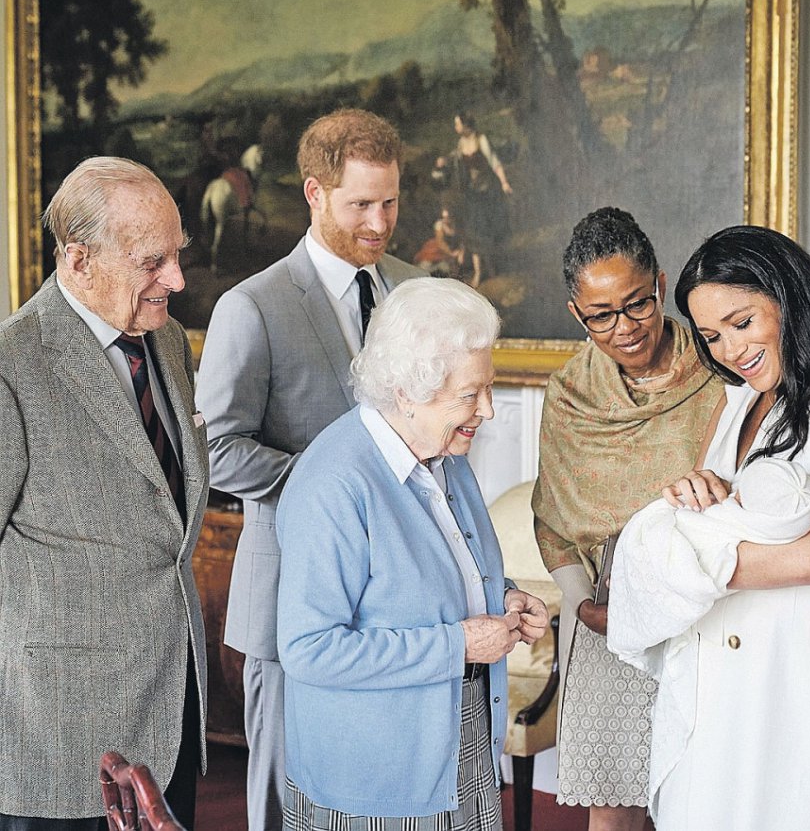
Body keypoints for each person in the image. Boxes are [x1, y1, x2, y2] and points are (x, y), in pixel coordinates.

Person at [194, 108, 424, 831]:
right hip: (292, 593)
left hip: (399, 605)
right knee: (283, 802)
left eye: (390, 202)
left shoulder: (416, 291)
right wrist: (339, 493)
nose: (380, 223)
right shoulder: (251, 306)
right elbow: (217, 449)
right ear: (314, 194)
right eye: (361, 204)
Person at [275, 277, 548, 830]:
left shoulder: (444, 452)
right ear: (407, 392)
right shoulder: (333, 482)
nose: (489, 410)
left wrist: (505, 596)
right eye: (471, 394)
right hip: (378, 778)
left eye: (488, 388)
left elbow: (434, 573)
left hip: (461, 741)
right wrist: (460, 643)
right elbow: (309, 649)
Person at [0, 157, 209, 829]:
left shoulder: (168, 340)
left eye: (177, 255)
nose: (174, 280)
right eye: (153, 261)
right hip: (59, 738)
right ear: (79, 260)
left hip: (171, 709)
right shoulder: (12, 365)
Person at [627, 225, 810, 830]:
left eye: (742, 322)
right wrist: (689, 496)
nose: (729, 349)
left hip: (797, 674)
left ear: (788, 296)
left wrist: (676, 564)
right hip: (717, 667)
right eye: (711, 335)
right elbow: (700, 513)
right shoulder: (732, 402)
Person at [531, 207, 723, 831]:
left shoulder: (720, 371)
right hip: (610, 608)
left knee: (705, 791)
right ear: (576, 315)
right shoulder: (570, 396)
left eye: (638, 304)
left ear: (662, 285)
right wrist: (583, 602)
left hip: (711, 595)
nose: (625, 328)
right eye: (601, 316)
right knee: (615, 809)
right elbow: (555, 520)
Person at [607, 458, 810, 814]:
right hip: (710, 648)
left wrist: (648, 571)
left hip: (760, 651)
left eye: (740, 500)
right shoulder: (731, 404)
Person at [432, 112, 512, 287]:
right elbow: (454, 157)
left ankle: (491, 269)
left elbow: (494, 162)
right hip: (472, 194)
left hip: (487, 193)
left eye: (458, 124)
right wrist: (443, 161)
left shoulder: (480, 140)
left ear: (466, 125)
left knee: (485, 231)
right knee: (474, 232)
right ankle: (479, 272)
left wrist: (504, 182)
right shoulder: (462, 143)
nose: (456, 127)